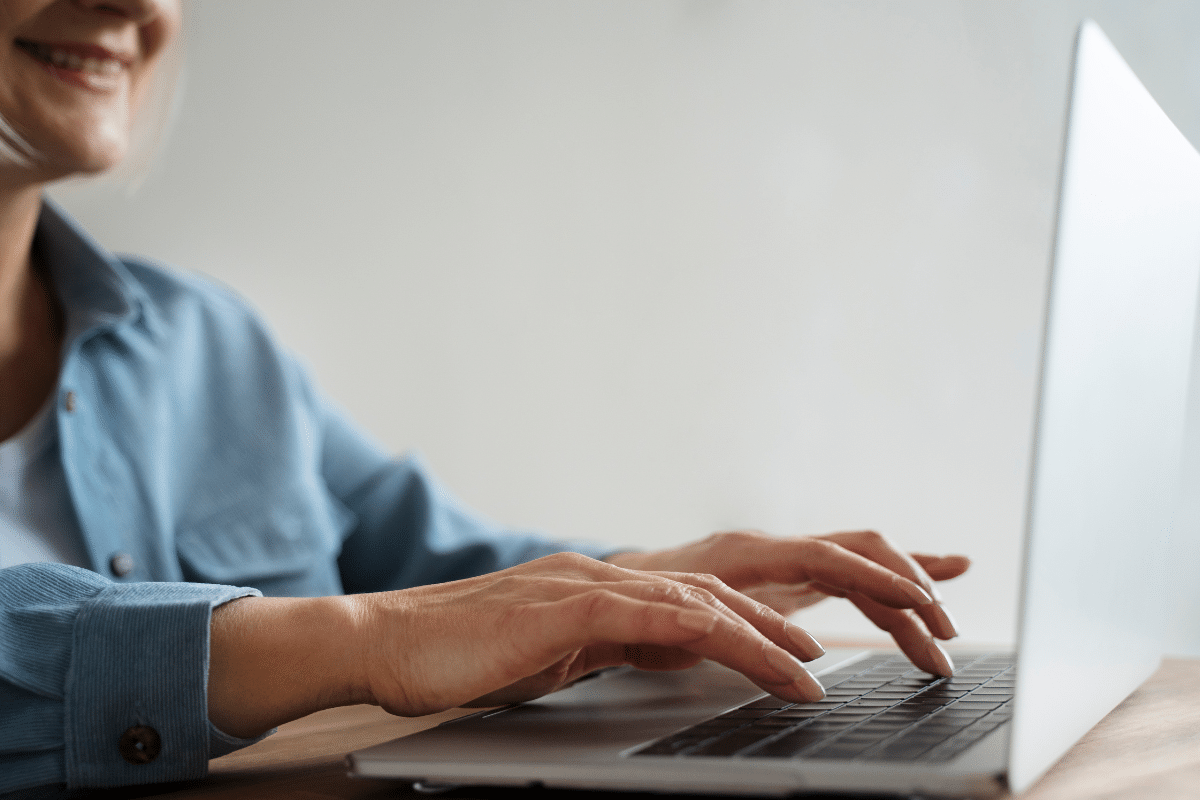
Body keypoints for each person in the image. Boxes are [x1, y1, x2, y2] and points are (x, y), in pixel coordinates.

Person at [0, 0, 970, 793]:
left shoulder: (204, 339)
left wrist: (651, 585)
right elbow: (399, 623)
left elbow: (431, 562)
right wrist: (364, 638)